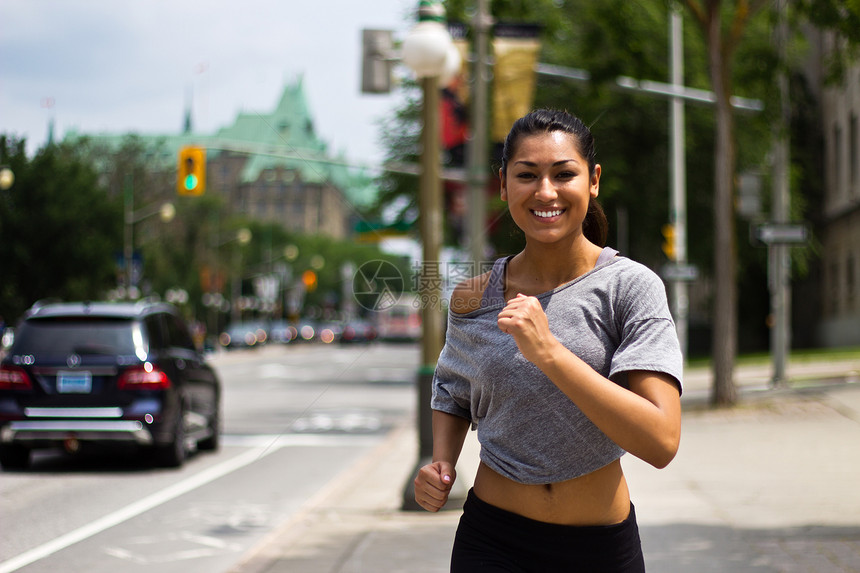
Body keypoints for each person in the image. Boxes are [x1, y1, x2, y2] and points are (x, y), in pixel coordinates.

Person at [413, 108, 683, 572]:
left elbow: (660, 440)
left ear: (593, 180)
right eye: (526, 175)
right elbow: (452, 392)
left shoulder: (629, 287)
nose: (545, 192)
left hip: (599, 550)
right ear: (503, 186)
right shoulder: (473, 296)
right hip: (492, 542)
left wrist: (550, 353)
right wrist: (440, 463)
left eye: (564, 174)